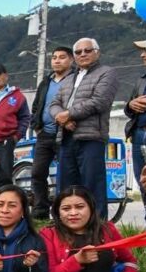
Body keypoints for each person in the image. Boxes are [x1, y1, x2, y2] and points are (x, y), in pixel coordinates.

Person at [50, 37, 120, 219]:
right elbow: (54, 104)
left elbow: (100, 101)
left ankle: (98, 228)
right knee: (66, 188)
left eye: (87, 50)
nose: (83, 54)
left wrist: (69, 114)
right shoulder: (69, 78)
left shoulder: (107, 73)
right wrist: (62, 119)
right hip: (66, 138)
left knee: (92, 186)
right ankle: (64, 228)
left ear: (97, 52)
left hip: (91, 137)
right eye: (78, 52)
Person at [30, 47, 75, 220]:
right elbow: (36, 105)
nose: (57, 60)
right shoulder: (46, 81)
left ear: (71, 60)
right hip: (44, 134)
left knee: (66, 174)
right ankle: (40, 211)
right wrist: (37, 125)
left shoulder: (75, 79)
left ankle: (62, 213)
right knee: (37, 173)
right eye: (54, 57)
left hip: (65, 135)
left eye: (62, 57)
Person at [125, 39, 146, 227]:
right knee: (144, 182)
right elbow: (129, 107)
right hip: (140, 135)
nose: (142, 54)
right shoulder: (143, 78)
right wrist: (131, 105)